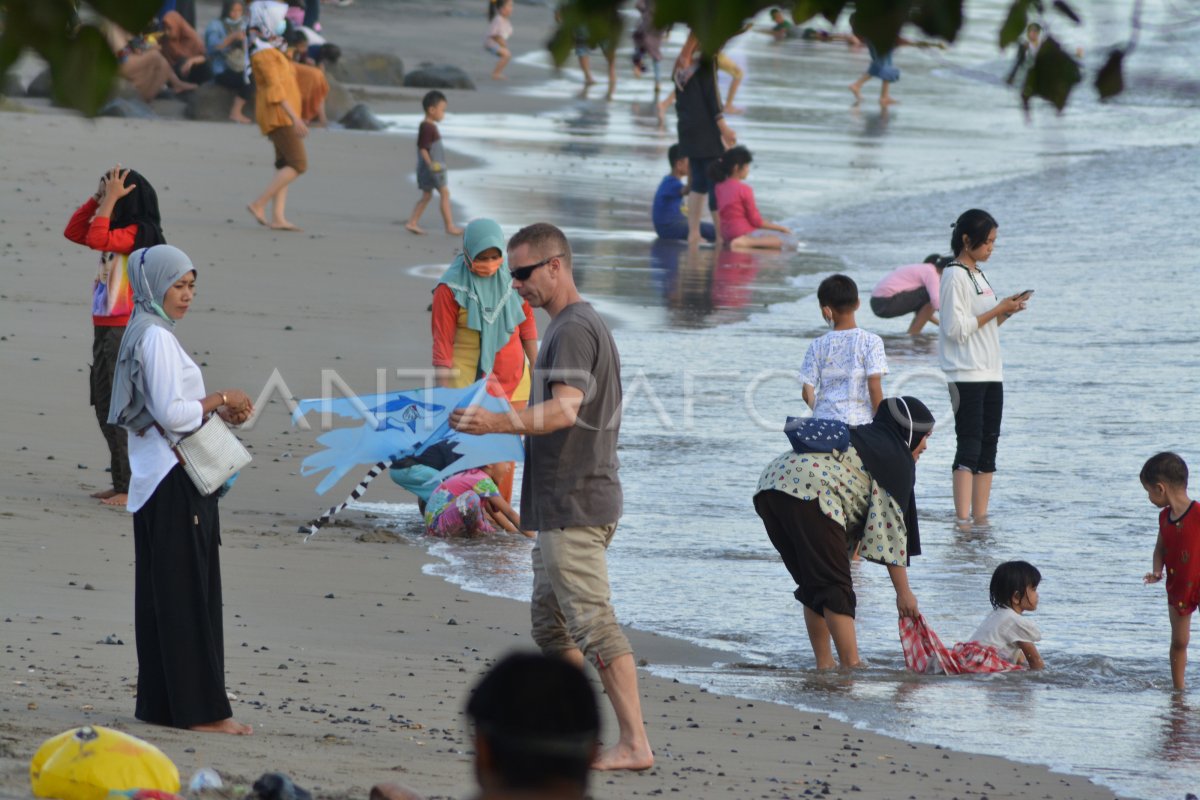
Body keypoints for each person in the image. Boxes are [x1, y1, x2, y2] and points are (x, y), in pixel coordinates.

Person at [449, 223, 654, 771]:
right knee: (550, 626)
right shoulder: (574, 326)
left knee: (592, 624)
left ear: (556, 266)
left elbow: (566, 409)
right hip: (567, 504)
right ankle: (574, 728)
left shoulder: (572, 329)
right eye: (512, 275)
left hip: (577, 505)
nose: (516, 285)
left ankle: (634, 743)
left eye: (523, 273)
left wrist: (495, 421)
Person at [107, 244, 254, 735]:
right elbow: (174, 413)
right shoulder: (156, 339)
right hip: (176, 480)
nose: (187, 295)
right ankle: (204, 713)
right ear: (155, 287)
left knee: (161, 597)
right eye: (179, 286)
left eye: (192, 286)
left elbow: (163, 408)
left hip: (155, 481)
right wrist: (223, 397)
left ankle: (161, 705)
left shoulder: (142, 331)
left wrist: (210, 406)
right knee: (190, 596)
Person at [755, 397, 934, 668]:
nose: (926, 446)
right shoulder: (896, 458)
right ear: (910, 433)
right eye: (925, 437)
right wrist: (904, 594)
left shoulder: (862, 438)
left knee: (814, 584)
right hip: (810, 491)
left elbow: (853, 513)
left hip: (771, 486)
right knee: (834, 587)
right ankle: (851, 666)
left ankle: (825, 666)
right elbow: (891, 529)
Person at [64, 166, 167, 508]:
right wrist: (97, 198)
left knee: (122, 406)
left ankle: (133, 487)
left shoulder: (140, 233)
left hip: (125, 327)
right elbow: (75, 231)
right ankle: (121, 481)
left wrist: (108, 200)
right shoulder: (113, 229)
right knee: (104, 402)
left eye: (113, 191)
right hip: (104, 325)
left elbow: (96, 238)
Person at [431, 218, 538, 501]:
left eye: (495, 257)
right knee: (471, 456)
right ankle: (467, 516)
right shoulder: (450, 289)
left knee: (506, 457)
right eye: (482, 257)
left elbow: (526, 325)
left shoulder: (512, 279)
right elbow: (442, 347)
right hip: (468, 384)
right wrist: (444, 399)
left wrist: (539, 371)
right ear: (467, 253)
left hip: (515, 382)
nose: (490, 264)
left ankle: (497, 528)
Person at [938, 209, 1030, 526]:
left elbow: (983, 326)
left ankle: (981, 518)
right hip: (965, 372)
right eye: (987, 241)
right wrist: (997, 310)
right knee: (969, 444)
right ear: (967, 240)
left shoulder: (979, 274)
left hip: (991, 370)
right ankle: (962, 519)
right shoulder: (953, 275)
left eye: (994, 242)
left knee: (989, 443)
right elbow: (954, 329)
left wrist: (1007, 311)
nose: (991, 247)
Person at [246, 0, 308, 232]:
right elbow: (275, 90)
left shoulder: (272, 49)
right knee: (298, 163)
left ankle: (278, 217)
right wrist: (296, 118)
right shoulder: (264, 54)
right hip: (279, 116)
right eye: (279, 20)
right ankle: (258, 203)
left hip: (283, 114)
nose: (283, 24)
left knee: (284, 163)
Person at [1142, 452, 1200, 691]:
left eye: (1148, 491)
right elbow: (1160, 548)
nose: (1148, 497)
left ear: (1160, 488)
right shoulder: (1164, 517)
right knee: (1179, 641)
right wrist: (1157, 571)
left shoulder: (1198, 513)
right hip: (1178, 584)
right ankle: (1179, 690)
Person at [672, 32, 736, 245]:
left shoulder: (680, 65)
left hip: (687, 129)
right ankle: (719, 235)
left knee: (698, 182)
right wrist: (724, 128)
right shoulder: (707, 63)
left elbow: (682, 99)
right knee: (714, 182)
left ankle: (693, 233)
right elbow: (712, 96)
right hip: (706, 130)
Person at [799, 274, 887, 426]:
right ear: (858, 304)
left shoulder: (817, 345)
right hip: (860, 425)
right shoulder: (871, 341)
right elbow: (874, 387)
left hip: (824, 425)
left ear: (826, 311)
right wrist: (882, 424)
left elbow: (807, 393)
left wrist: (822, 412)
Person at [710, 146, 791, 250]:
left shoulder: (719, 187)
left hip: (726, 233)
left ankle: (744, 242)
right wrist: (781, 228)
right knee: (783, 241)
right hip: (742, 232)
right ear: (736, 168)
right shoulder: (745, 189)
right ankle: (746, 242)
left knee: (767, 235)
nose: (748, 169)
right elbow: (756, 222)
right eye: (747, 166)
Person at [405, 91, 463, 236]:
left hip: (432, 168)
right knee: (444, 193)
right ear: (432, 110)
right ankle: (449, 226)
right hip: (432, 169)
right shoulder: (427, 127)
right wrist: (431, 164)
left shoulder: (428, 126)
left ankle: (412, 222)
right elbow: (423, 148)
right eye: (442, 110)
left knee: (427, 196)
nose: (443, 114)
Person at [970, 560, 1044, 669]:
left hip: (970, 659)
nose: (1037, 595)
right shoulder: (1016, 622)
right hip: (982, 667)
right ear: (1016, 597)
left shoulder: (996, 615)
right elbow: (1035, 660)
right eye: (1034, 589)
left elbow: (1018, 657)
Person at [104, 24, 198, 102]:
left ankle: (146, 96)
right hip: (118, 65)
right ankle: (176, 84)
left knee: (161, 62)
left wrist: (153, 41)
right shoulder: (113, 27)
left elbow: (137, 44)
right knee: (155, 56)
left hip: (129, 60)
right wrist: (139, 47)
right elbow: (121, 55)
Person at [424, 464, 521, 538]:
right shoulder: (483, 481)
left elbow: (497, 515)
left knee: (492, 531)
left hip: (436, 525)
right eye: (506, 462)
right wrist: (533, 536)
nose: (509, 467)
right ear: (490, 464)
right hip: (437, 526)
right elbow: (509, 512)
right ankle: (474, 536)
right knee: (471, 498)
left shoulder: (475, 475)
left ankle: (478, 534)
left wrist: (517, 535)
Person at [870, 254, 947, 335]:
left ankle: (912, 333)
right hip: (885, 302)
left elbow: (923, 313)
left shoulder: (920, 269)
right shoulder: (931, 272)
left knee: (928, 297)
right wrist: (952, 319)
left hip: (877, 303)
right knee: (931, 295)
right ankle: (913, 334)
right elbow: (935, 301)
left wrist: (942, 325)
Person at [652, 144, 716, 242]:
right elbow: (688, 190)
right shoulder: (671, 183)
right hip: (670, 228)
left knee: (704, 228)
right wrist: (693, 171)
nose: (692, 165)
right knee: (714, 231)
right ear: (679, 165)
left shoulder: (669, 180)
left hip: (671, 226)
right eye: (690, 163)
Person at [205, 1, 252, 124]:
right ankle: (235, 112)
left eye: (239, 11)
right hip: (222, 69)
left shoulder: (244, 25)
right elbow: (213, 48)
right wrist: (232, 37)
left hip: (240, 65)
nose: (236, 14)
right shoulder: (216, 25)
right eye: (233, 11)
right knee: (248, 79)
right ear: (226, 11)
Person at [160, 10, 212, 84]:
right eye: (165, 28)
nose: (167, 32)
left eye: (170, 28)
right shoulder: (165, 40)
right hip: (176, 74)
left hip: (195, 71)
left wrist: (191, 61)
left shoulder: (192, 37)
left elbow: (205, 56)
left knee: (204, 64)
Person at [485, 0, 513, 81]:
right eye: (509, 6)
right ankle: (496, 73)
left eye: (512, 6)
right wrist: (502, 43)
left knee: (506, 55)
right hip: (491, 43)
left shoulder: (504, 20)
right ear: (502, 9)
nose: (511, 9)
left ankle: (497, 71)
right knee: (507, 55)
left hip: (496, 43)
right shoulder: (498, 20)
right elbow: (494, 35)